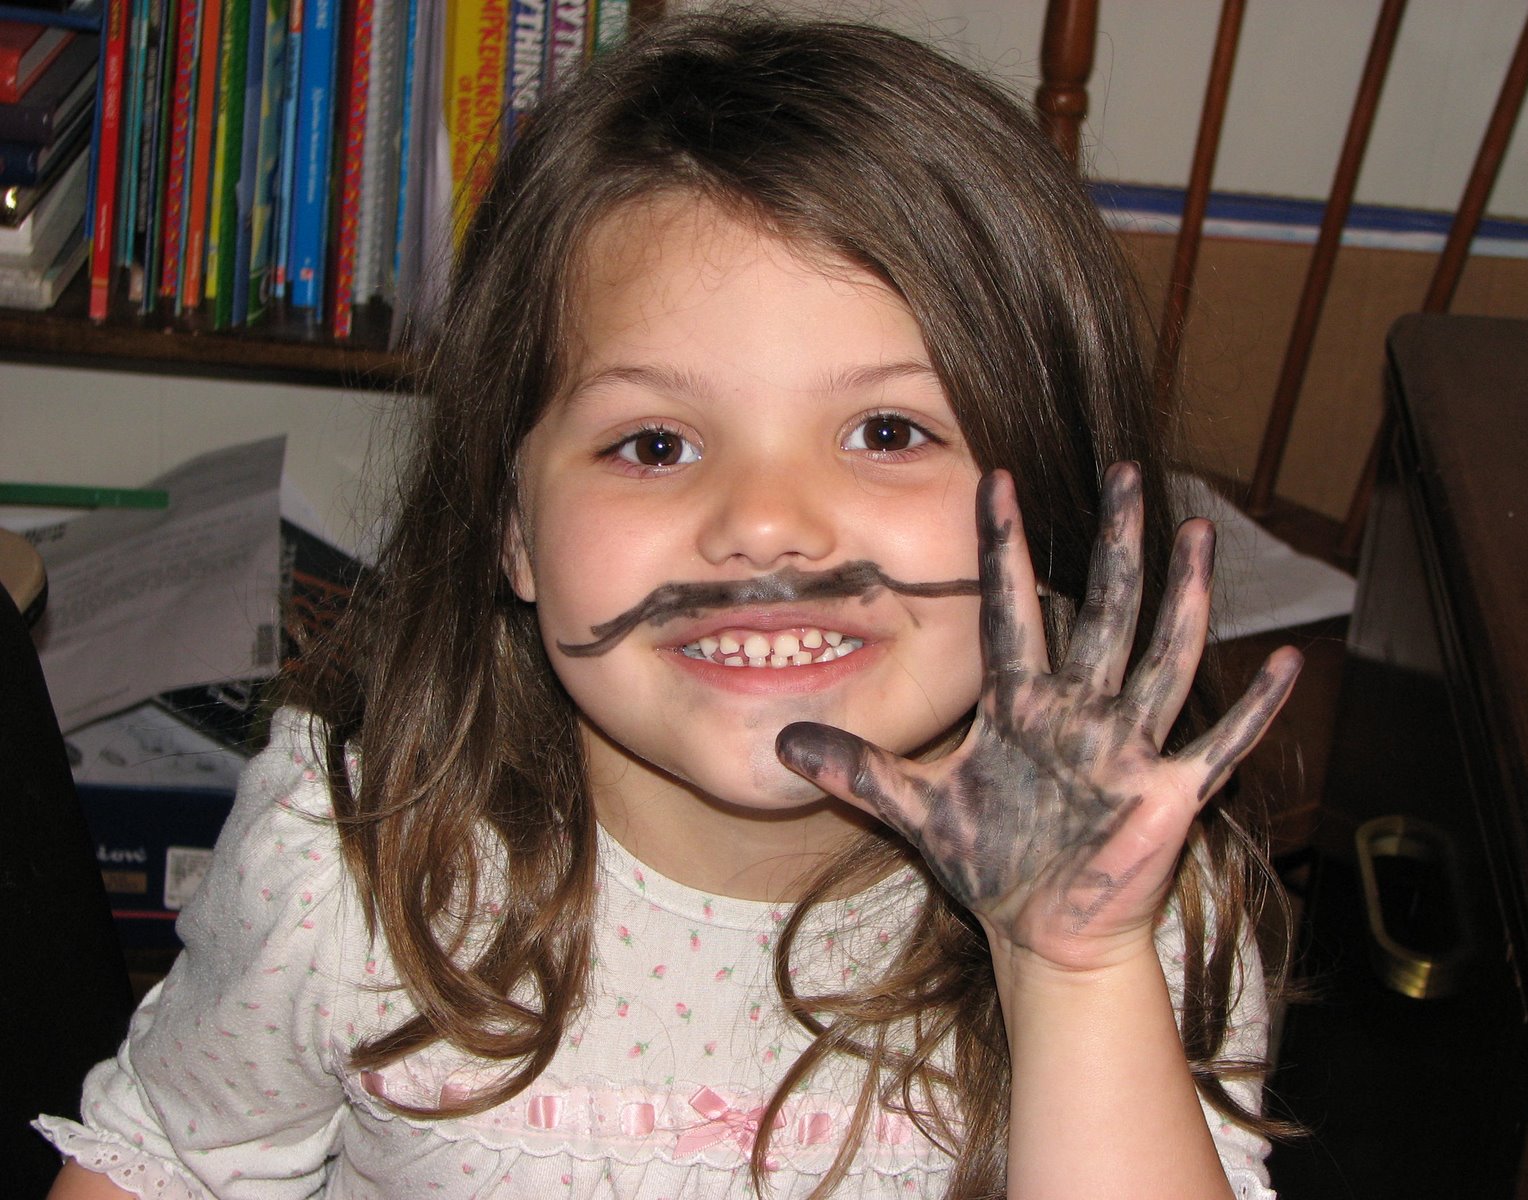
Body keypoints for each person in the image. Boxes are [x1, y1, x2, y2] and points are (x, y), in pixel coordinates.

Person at [39, 11, 1303, 1198]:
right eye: (653, 444)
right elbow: (168, 1162)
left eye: (886, 430)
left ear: (1055, 514)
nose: (763, 520)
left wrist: (1069, 969)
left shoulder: (1127, 897)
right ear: (513, 528)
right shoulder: (354, 870)